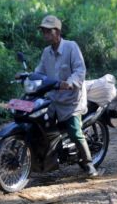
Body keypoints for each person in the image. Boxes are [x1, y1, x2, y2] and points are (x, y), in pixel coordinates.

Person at [35, 15, 96, 176]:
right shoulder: (46, 52)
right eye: (43, 31)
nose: (45, 34)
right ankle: (50, 160)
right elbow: (39, 72)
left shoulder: (71, 47)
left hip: (71, 100)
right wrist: (28, 77)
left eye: (48, 30)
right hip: (53, 99)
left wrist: (70, 82)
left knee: (75, 131)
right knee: (41, 125)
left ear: (57, 31)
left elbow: (80, 70)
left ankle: (88, 164)